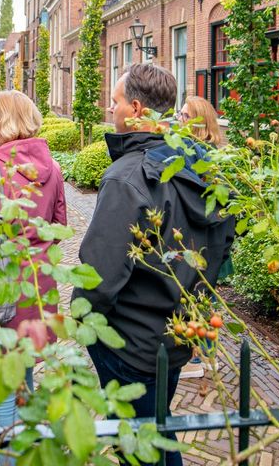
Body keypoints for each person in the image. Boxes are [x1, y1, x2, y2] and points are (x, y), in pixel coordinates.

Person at [74, 64, 235, 466]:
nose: (110, 110)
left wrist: (84, 320)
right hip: (178, 332)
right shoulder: (202, 165)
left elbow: (100, 271)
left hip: (131, 340)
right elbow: (225, 237)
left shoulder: (127, 177)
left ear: (135, 107)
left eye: (114, 102)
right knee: (158, 433)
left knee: (137, 445)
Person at [0, 90, 67, 453]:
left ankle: (8, 457)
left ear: (5, 120)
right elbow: (58, 228)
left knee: (1, 391)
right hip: (39, 293)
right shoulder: (53, 169)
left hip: (3, 294)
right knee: (23, 375)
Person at [175, 95, 225, 379]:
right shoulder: (216, 151)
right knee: (207, 294)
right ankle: (207, 354)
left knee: (193, 295)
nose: (178, 120)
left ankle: (194, 360)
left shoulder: (192, 153)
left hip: (199, 235)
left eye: (183, 116)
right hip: (215, 237)